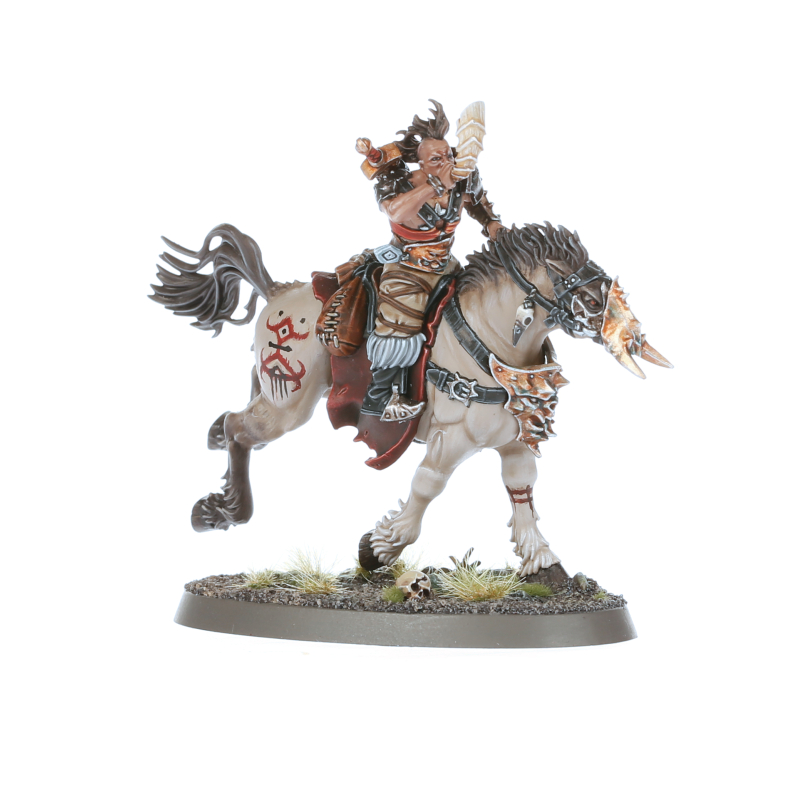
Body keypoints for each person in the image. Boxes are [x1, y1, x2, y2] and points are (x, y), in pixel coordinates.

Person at [360, 100, 504, 421]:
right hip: (407, 267)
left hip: (447, 265)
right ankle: (379, 397)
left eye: (448, 156)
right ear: (421, 163)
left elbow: (477, 202)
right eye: (436, 159)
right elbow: (397, 211)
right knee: (399, 320)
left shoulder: (463, 180)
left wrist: (491, 222)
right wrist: (435, 185)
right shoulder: (399, 184)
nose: (446, 162)